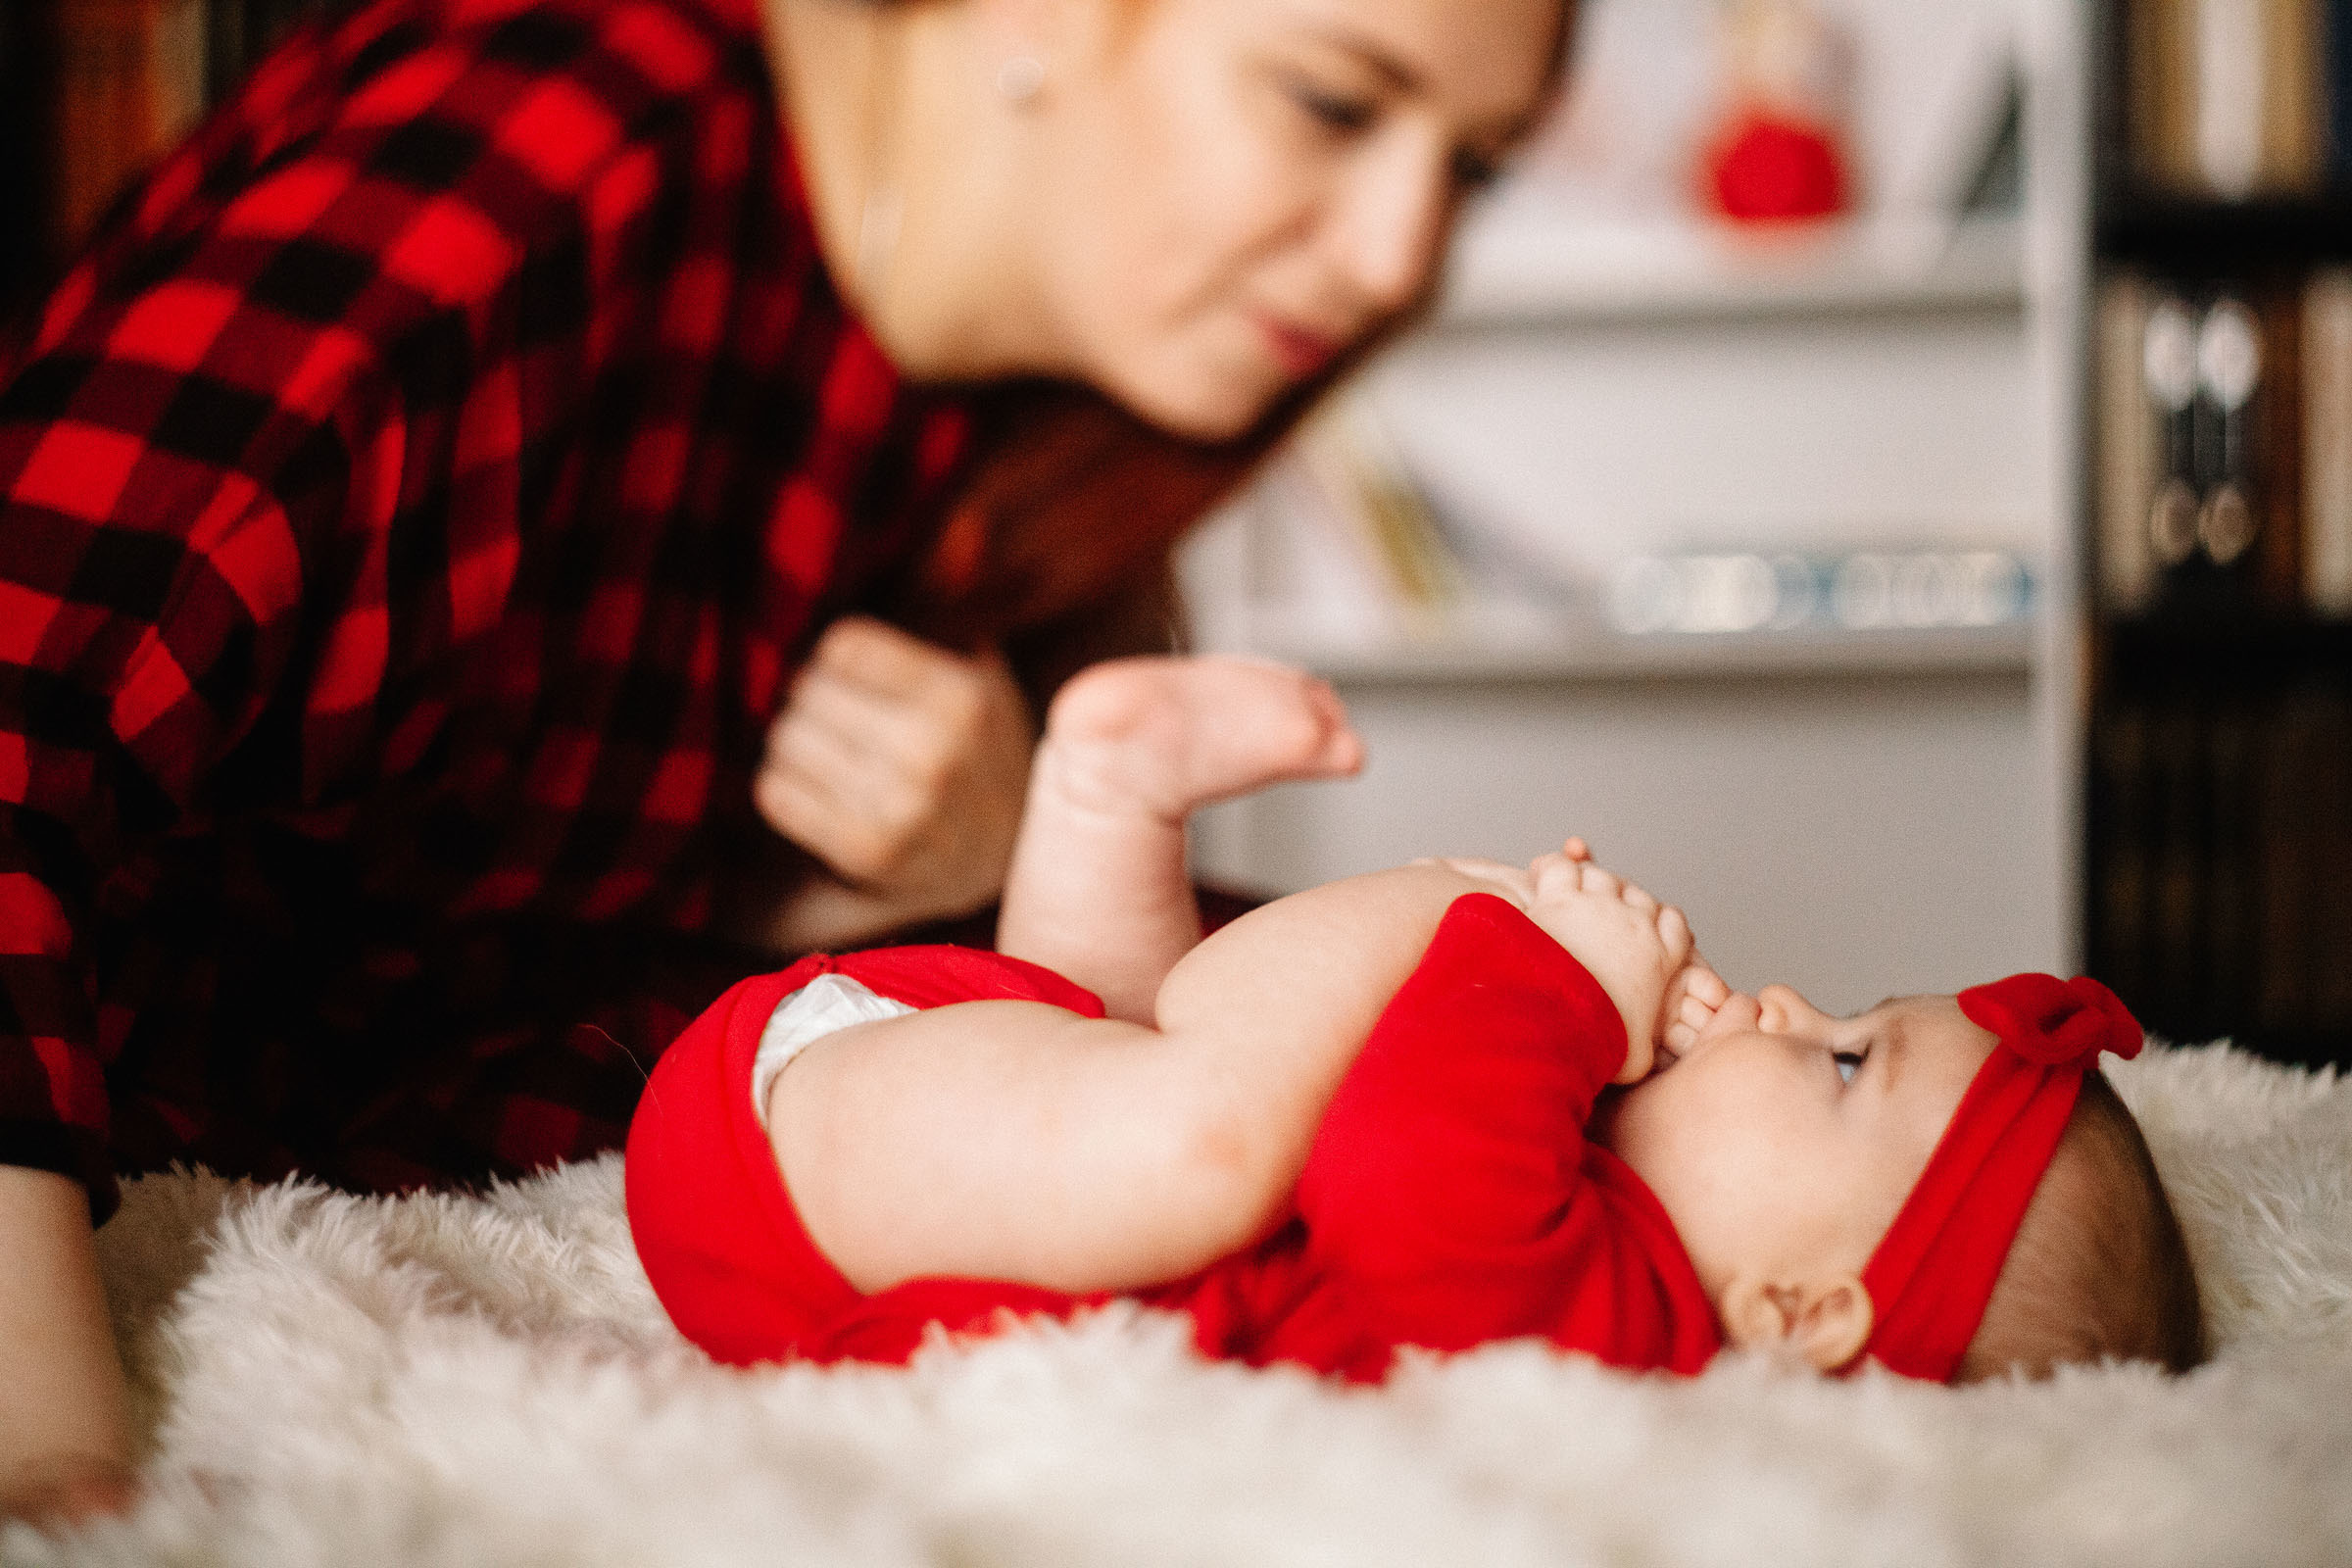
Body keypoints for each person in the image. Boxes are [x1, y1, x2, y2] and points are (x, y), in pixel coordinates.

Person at [0, 0, 1576, 1523]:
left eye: (1474, 167)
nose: (1400, 258)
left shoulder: (1054, 386)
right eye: (1333, 104)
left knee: (1428, 1014)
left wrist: (1006, 855)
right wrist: (42, 1461)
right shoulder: (553, 140)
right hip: (112, 1094)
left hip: (430, 1072)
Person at [628, 655, 2207, 1385]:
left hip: (830, 1193)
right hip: (835, 1133)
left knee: (1179, 1132)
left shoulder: (1609, 1325)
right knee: (1194, 1133)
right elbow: (1256, 1045)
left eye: (1849, 1060)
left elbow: (1396, 1171)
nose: (1794, 1004)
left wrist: (1542, 969)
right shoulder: (1589, 1206)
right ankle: (1109, 803)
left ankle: (1112, 811)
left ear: (1805, 1312)